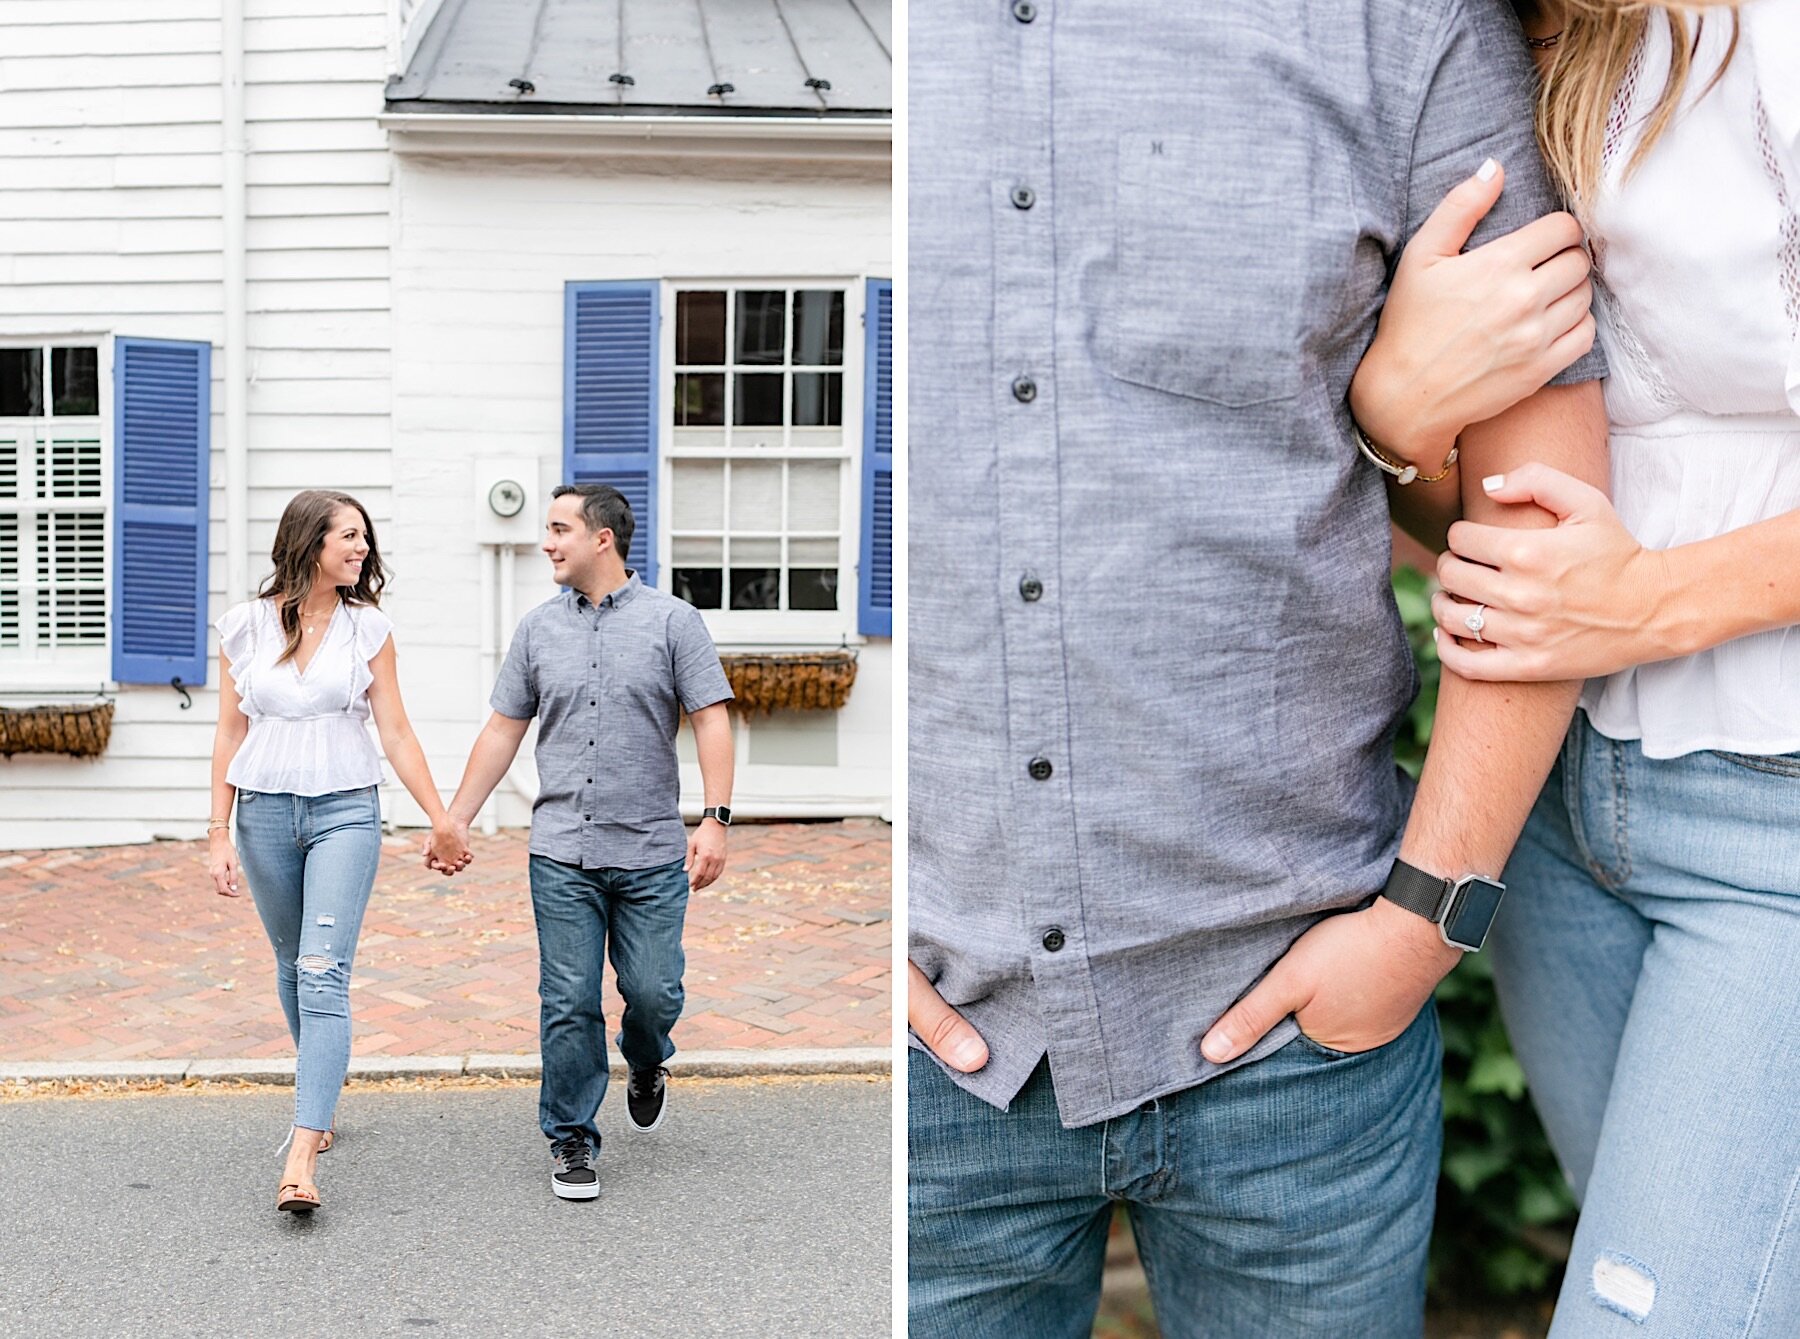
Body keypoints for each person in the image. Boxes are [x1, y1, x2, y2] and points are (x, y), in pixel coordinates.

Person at [905, 2, 1612, 1335]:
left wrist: (1420, 922)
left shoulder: (1409, 30)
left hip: (1299, 1050)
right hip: (930, 1040)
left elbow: (1543, 532)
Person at [1349, 3, 1800, 1332]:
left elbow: (1611, 587)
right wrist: (1392, 424)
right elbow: (1490, 537)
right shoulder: (1497, 45)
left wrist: (1654, 597)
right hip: (1556, 820)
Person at [429, 484, 735, 1202]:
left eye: (560, 529)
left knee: (652, 993)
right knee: (568, 998)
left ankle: (648, 1058)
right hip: (562, 850)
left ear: (603, 538)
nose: (547, 542)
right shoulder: (538, 630)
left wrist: (716, 816)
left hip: (653, 851)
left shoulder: (673, 623)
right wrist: (457, 816)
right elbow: (504, 727)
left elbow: (712, 719)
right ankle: (571, 1134)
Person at [206, 489, 473, 1214]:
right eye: (348, 537)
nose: (361, 549)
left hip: (346, 811)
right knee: (292, 966)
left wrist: (440, 816)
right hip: (262, 813)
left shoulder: (369, 629)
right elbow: (230, 735)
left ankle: (301, 1150)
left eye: (364, 538)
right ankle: (318, 1092)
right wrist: (216, 831)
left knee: (323, 973)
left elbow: (396, 732)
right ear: (309, 542)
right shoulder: (246, 626)